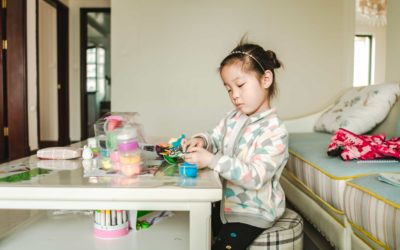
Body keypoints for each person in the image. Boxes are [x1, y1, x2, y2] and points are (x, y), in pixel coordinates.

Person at [182, 42, 289, 250]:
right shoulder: (232, 117)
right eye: (229, 89)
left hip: (253, 214)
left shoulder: (275, 130)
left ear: (266, 79)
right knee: (189, 228)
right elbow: (215, 137)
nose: (234, 95)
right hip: (224, 207)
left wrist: (211, 160)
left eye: (240, 85)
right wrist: (202, 141)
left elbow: (256, 176)